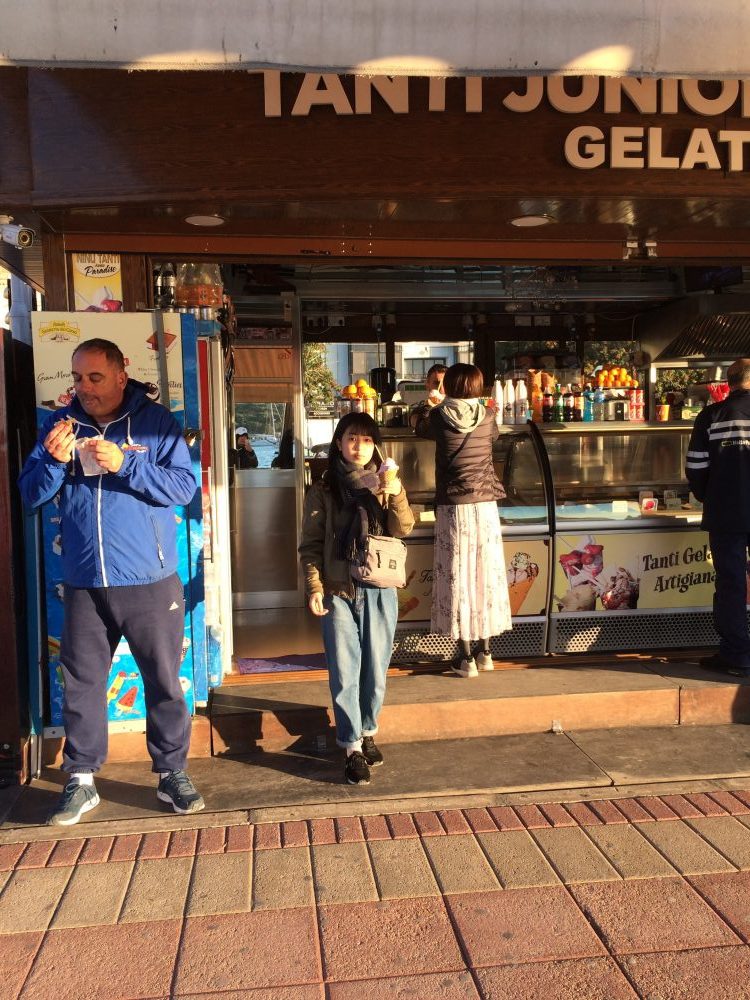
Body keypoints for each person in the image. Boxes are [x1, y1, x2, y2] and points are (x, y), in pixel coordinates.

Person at [18, 337, 205, 825]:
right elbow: (29, 495)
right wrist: (53, 462)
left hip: (150, 580)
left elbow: (183, 487)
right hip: (84, 581)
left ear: (121, 375)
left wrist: (127, 464)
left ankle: (171, 773)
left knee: (164, 681)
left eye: (95, 377)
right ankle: (81, 779)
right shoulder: (59, 426)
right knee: (81, 683)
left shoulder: (156, 423)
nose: (85, 387)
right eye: (78, 378)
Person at [299, 412, 414, 785]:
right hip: (338, 590)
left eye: (366, 439)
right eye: (352, 438)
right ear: (339, 443)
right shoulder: (323, 489)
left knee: (375, 669)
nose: (359, 446)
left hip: (379, 589)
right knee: (345, 670)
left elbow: (404, 528)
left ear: (375, 445)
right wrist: (315, 587)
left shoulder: (385, 483)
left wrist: (396, 493)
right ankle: (351, 747)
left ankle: (367, 731)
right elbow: (311, 545)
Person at [415, 362, 512, 676]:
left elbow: (417, 427)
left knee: (460, 577)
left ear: (449, 385)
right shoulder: (488, 415)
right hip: (485, 506)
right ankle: (486, 653)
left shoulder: (439, 416)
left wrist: (428, 403)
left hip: (454, 506)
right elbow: (493, 437)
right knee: (484, 576)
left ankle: (465, 657)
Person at [686, 358, 750, 678]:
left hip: (727, 512)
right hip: (729, 510)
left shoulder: (712, 415)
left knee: (731, 583)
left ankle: (737, 655)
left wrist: (705, 495)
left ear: (729, 382)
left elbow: (696, 467)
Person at [409, 363, 447, 428]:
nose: (441, 389)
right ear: (427, 385)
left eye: (446, 383)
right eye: (436, 383)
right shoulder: (418, 411)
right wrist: (428, 407)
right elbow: (417, 424)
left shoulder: (458, 408)